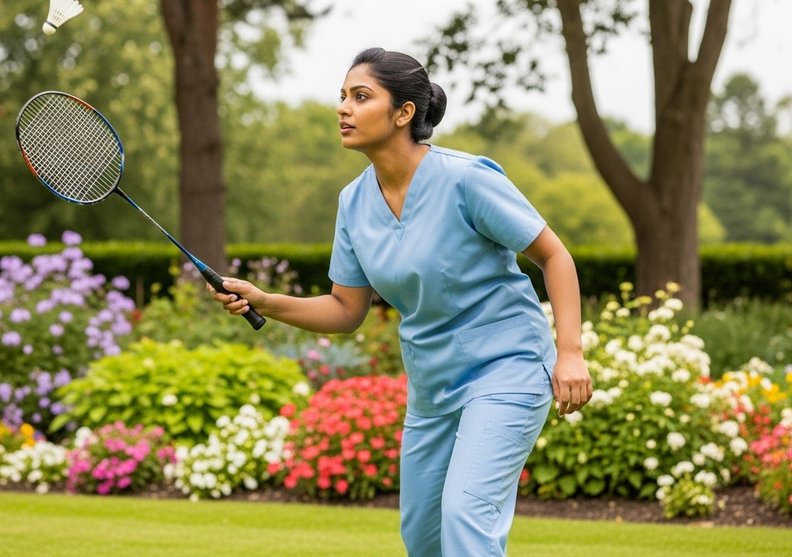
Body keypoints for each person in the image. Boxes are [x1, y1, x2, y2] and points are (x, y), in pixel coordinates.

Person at [210, 47, 593, 557]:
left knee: (466, 519)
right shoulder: (353, 202)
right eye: (342, 97)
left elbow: (555, 256)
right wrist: (266, 300)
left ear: (403, 113)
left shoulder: (466, 179)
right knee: (424, 538)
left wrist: (570, 352)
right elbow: (347, 310)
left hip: (508, 370)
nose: (343, 108)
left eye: (360, 96)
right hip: (433, 387)